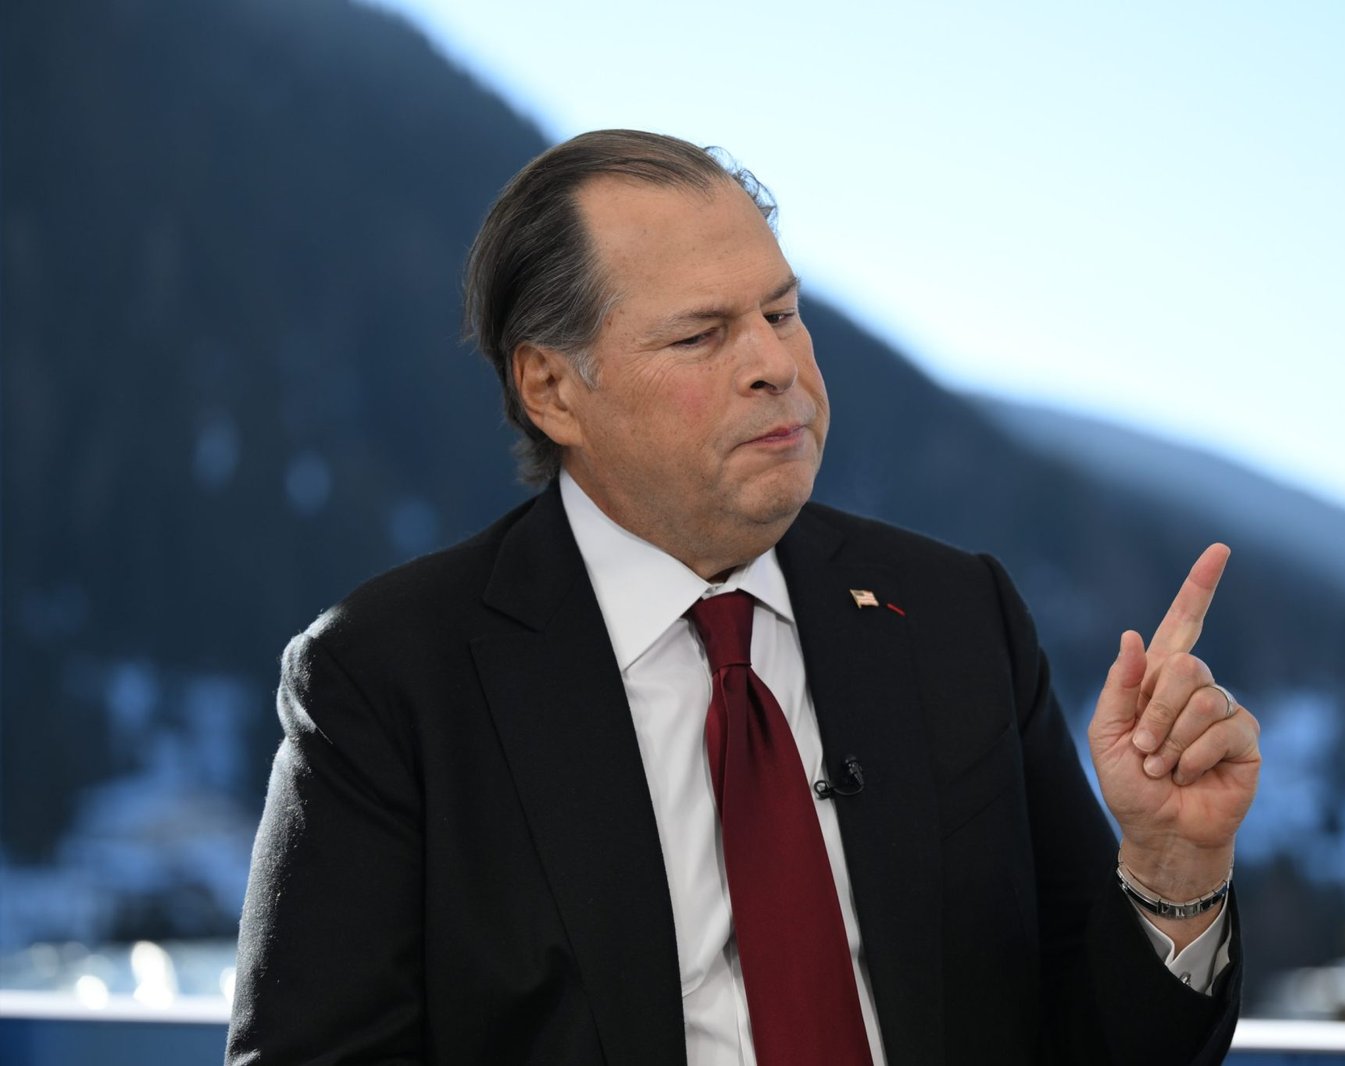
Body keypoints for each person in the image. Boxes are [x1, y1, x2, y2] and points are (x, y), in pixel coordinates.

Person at [226, 130, 1262, 1065]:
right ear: (552, 389)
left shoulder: (955, 616)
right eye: (701, 335)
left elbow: (1103, 1046)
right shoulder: (390, 677)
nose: (776, 364)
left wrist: (1172, 866)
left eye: (782, 312)